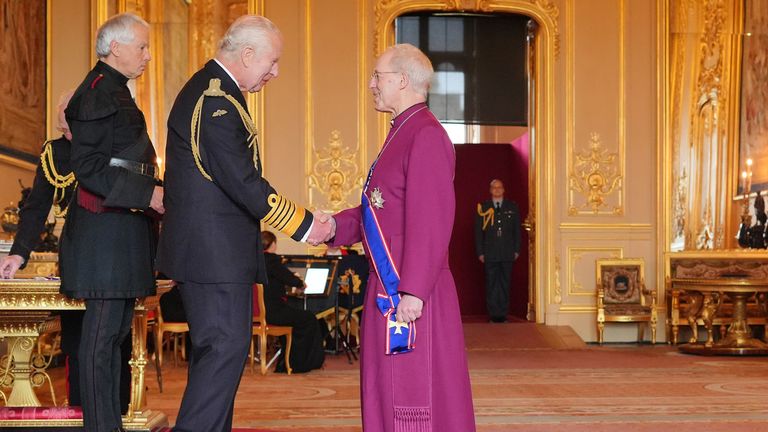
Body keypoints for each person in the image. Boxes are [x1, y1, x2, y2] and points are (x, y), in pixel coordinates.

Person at [156, 15, 333, 431]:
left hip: (213, 256)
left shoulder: (217, 94)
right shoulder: (216, 100)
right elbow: (243, 181)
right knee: (222, 355)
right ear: (247, 54)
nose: (276, 71)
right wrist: (307, 226)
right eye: (272, 61)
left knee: (220, 359)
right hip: (213, 257)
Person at [326, 43, 475, 431]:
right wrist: (330, 227)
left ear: (403, 81)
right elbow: (380, 214)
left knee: (414, 397)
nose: (371, 83)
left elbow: (432, 221)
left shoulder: (424, 135)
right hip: (390, 291)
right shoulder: (401, 133)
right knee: (385, 392)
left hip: (411, 298)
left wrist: (412, 292)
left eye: (378, 76)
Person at [61, 12, 164, 432]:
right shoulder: (98, 92)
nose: (147, 55)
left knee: (113, 339)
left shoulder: (114, 90)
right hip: (103, 236)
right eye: (141, 46)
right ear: (115, 47)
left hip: (119, 233)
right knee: (101, 341)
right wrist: (149, 194)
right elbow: (87, 167)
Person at [260, 231, 324, 373]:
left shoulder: (255, 262)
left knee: (296, 316)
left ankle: (285, 359)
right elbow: (290, 279)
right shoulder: (271, 261)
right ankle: (298, 363)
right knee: (308, 318)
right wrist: (300, 283)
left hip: (257, 313)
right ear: (273, 244)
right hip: (274, 312)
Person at [474, 179, 521, 323]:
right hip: (490, 252)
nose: (497, 190)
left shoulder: (511, 207)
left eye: (499, 187)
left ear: (503, 189)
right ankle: (494, 315)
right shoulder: (483, 207)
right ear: (490, 190)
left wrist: (516, 249)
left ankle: (503, 314)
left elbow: (517, 231)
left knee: (505, 283)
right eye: (494, 188)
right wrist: (480, 252)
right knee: (492, 284)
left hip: (507, 252)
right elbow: (478, 232)